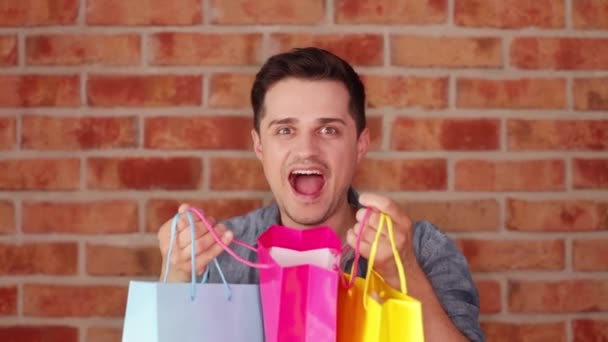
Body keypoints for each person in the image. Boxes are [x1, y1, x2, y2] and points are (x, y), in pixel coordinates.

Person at [157, 47, 484, 341]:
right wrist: (177, 275)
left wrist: (405, 274)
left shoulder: (421, 249)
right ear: (260, 146)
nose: (306, 150)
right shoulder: (220, 254)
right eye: (285, 130)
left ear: (360, 145)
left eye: (328, 130)